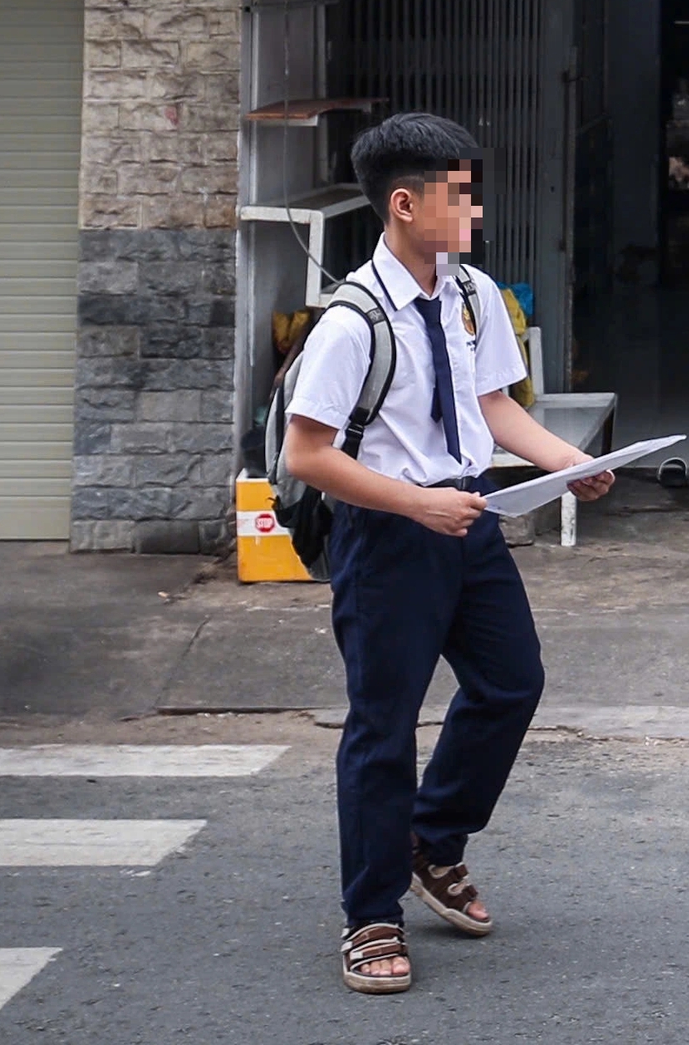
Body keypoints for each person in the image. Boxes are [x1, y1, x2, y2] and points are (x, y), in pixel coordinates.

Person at [283, 113, 616, 995]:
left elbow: (494, 404)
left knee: (512, 681)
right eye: (460, 195)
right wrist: (417, 502)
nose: (476, 211)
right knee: (384, 728)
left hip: (470, 522)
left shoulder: (471, 294)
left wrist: (567, 461)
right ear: (404, 204)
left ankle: (431, 838)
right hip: (391, 536)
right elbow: (307, 455)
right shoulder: (352, 321)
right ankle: (371, 915)